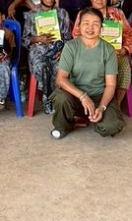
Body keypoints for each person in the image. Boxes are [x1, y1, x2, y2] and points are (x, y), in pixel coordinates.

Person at [50, 8, 126, 139]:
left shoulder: (108, 50)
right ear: (79, 26)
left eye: (95, 24)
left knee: (112, 126)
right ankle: (64, 126)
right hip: (74, 95)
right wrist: (83, 96)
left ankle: (93, 118)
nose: (90, 28)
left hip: (99, 96)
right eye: (86, 23)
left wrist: (101, 108)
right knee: (62, 98)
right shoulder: (71, 47)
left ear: (101, 28)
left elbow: (110, 85)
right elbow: (61, 79)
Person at [71, 0, 132, 106]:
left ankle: (116, 104)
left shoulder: (117, 13)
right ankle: (90, 103)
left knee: (124, 63)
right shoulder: (84, 14)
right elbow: (76, 35)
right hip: (90, 52)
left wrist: (125, 49)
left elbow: (129, 34)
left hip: (115, 53)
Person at [22, 0, 72, 114]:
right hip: (38, 50)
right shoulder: (32, 14)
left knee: (59, 67)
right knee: (42, 66)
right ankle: (47, 98)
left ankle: (57, 98)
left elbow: (68, 37)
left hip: (57, 49)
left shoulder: (62, 13)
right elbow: (25, 40)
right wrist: (37, 38)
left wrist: (62, 50)